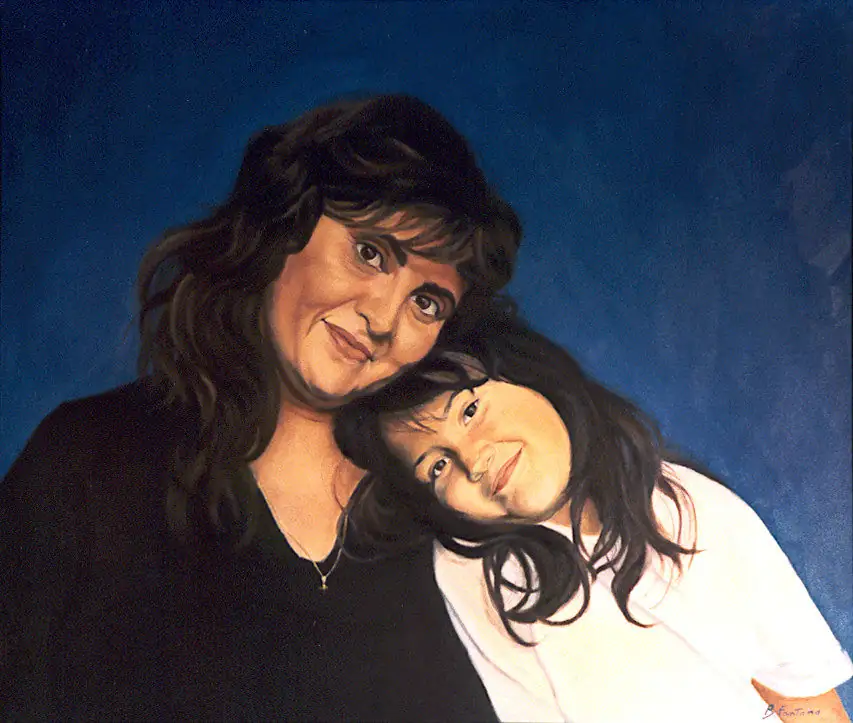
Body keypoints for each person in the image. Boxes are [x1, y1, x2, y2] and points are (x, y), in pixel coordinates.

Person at [1, 94, 522, 720]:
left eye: (427, 303)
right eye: (370, 253)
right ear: (286, 226)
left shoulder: (431, 516)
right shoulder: (89, 457)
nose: (384, 319)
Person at [334, 303, 853, 722]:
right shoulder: (474, 575)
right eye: (437, 466)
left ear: (529, 376)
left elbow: (803, 697)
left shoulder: (687, 506)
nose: (475, 461)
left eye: (470, 410)